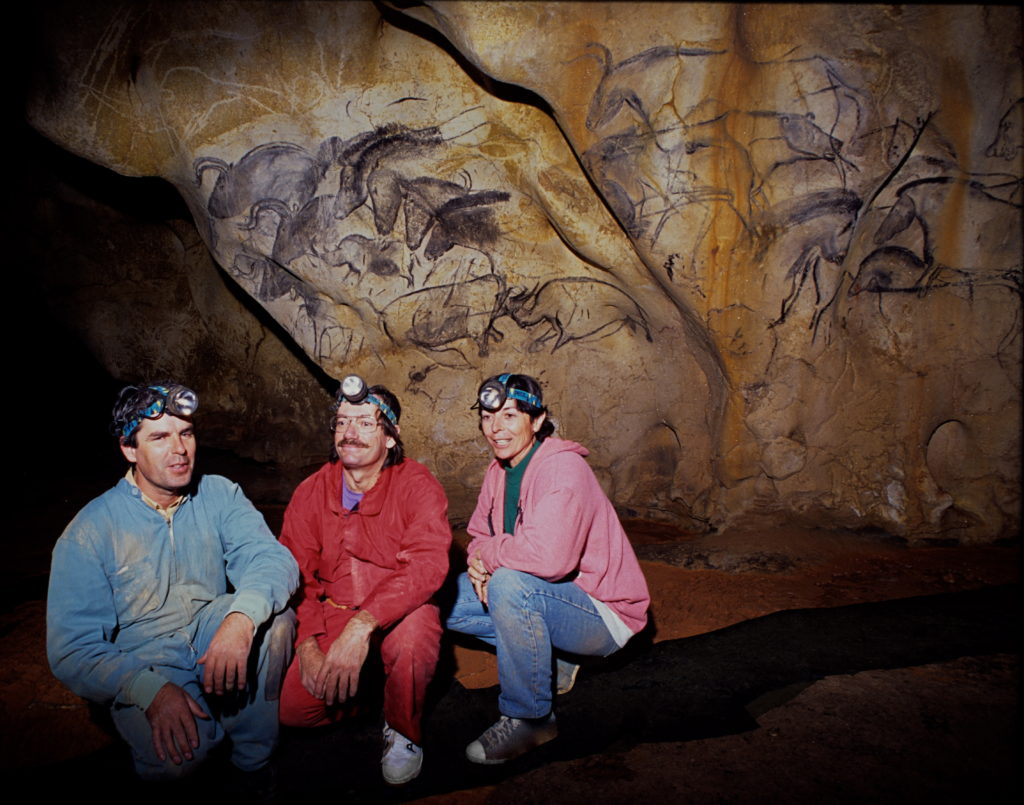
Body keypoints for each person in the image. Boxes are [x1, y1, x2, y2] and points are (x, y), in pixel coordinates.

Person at [46, 382, 300, 785]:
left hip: (209, 632)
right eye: (160, 438)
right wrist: (148, 690)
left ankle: (253, 764)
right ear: (130, 450)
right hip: (144, 659)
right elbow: (72, 649)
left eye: (186, 433)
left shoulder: (218, 494)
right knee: (180, 761)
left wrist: (240, 619)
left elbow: (272, 558)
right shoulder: (90, 531)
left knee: (277, 620)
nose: (179, 450)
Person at [446, 373, 650, 764]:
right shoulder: (498, 472)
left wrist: (489, 557)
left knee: (509, 586)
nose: (496, 428)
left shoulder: (562, 469)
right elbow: (476, 534)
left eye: (509, 415)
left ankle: (531, 718)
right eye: (488, 417)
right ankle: (553, 660)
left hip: (603, 613)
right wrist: (477, 559)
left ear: (536, 421)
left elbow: (549, 561)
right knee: (444, 601)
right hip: (551, 599)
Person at [278, 375, 451, 785]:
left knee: (414, 636)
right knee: (293, 711)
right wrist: (307, 647)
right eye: (341, 422)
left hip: (396, 610)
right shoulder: (311, 491)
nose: (349, 433)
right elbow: (295, 573)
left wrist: (362, 626)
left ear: (390, 438)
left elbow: (426, 565)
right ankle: (375, 687)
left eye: (364, 423)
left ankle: (404, 727)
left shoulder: (417, 486)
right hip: (332, 612)